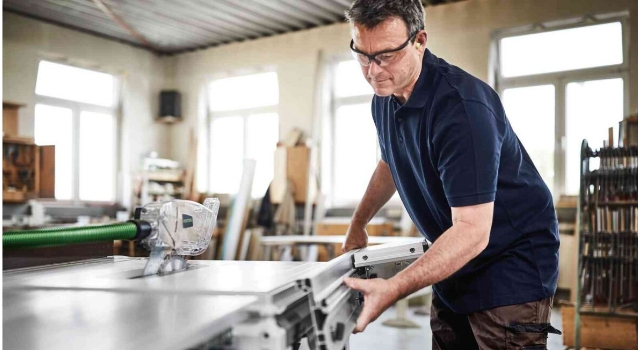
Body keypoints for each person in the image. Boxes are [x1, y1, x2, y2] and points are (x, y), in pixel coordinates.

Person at [340, 0, 561, 348]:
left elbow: (473, 233)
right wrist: (358, 223)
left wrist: (394, 288)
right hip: (452, 257)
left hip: (508, 263)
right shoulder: (384, 97)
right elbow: (391, 162)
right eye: (363, 55)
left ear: (419, 41)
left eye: (386, 55)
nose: (373, 71)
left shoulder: (461, 108)